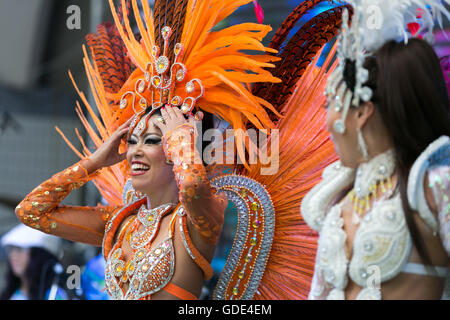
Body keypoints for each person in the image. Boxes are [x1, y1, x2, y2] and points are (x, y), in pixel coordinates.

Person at [15, 0, 348, 300]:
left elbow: (191, 187)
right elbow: (31, 213)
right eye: (132, 140)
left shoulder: (200, 216)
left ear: (180, 148)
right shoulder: (120, 223)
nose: (135, 151)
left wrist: (181, 137)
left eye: (152, 140)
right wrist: (96, 161)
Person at [301, 0, 450, 300]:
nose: (327, 123)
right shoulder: (340, 198)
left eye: (332, 105)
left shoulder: (433, 186)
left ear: (362, 113)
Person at [0, 224, 67, 300]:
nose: (13, 256)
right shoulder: (11, 293)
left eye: (19, 249)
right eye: (11, 249)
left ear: (38, 256)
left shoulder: (54, 294)